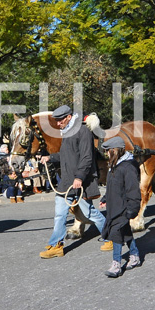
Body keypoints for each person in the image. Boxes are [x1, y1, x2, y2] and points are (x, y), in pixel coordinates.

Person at [39, 104, 108, 258]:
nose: (58, 124)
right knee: (59, 214)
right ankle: (57, 245)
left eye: (60, 121)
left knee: (90, 213)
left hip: (79, 182)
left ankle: (110, 236)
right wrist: (50, 157)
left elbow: (86, 157)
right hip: (66, 182)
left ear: (68, 117)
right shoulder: (67, 132)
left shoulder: (83, 131)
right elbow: (65, 156)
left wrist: (79, 177)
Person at [99, 136, 141, 277]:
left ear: (114, 151)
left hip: (123, 207)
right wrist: (106, 198)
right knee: (125, 231)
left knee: (116, 232)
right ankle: (134, 256)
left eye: (108, 151)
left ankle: (116, 264)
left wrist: (133, 208)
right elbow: (113, 186)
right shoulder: (115, 165)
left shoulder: (128, 167)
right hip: (114, 205)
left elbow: (133, 190)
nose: (106, 154)